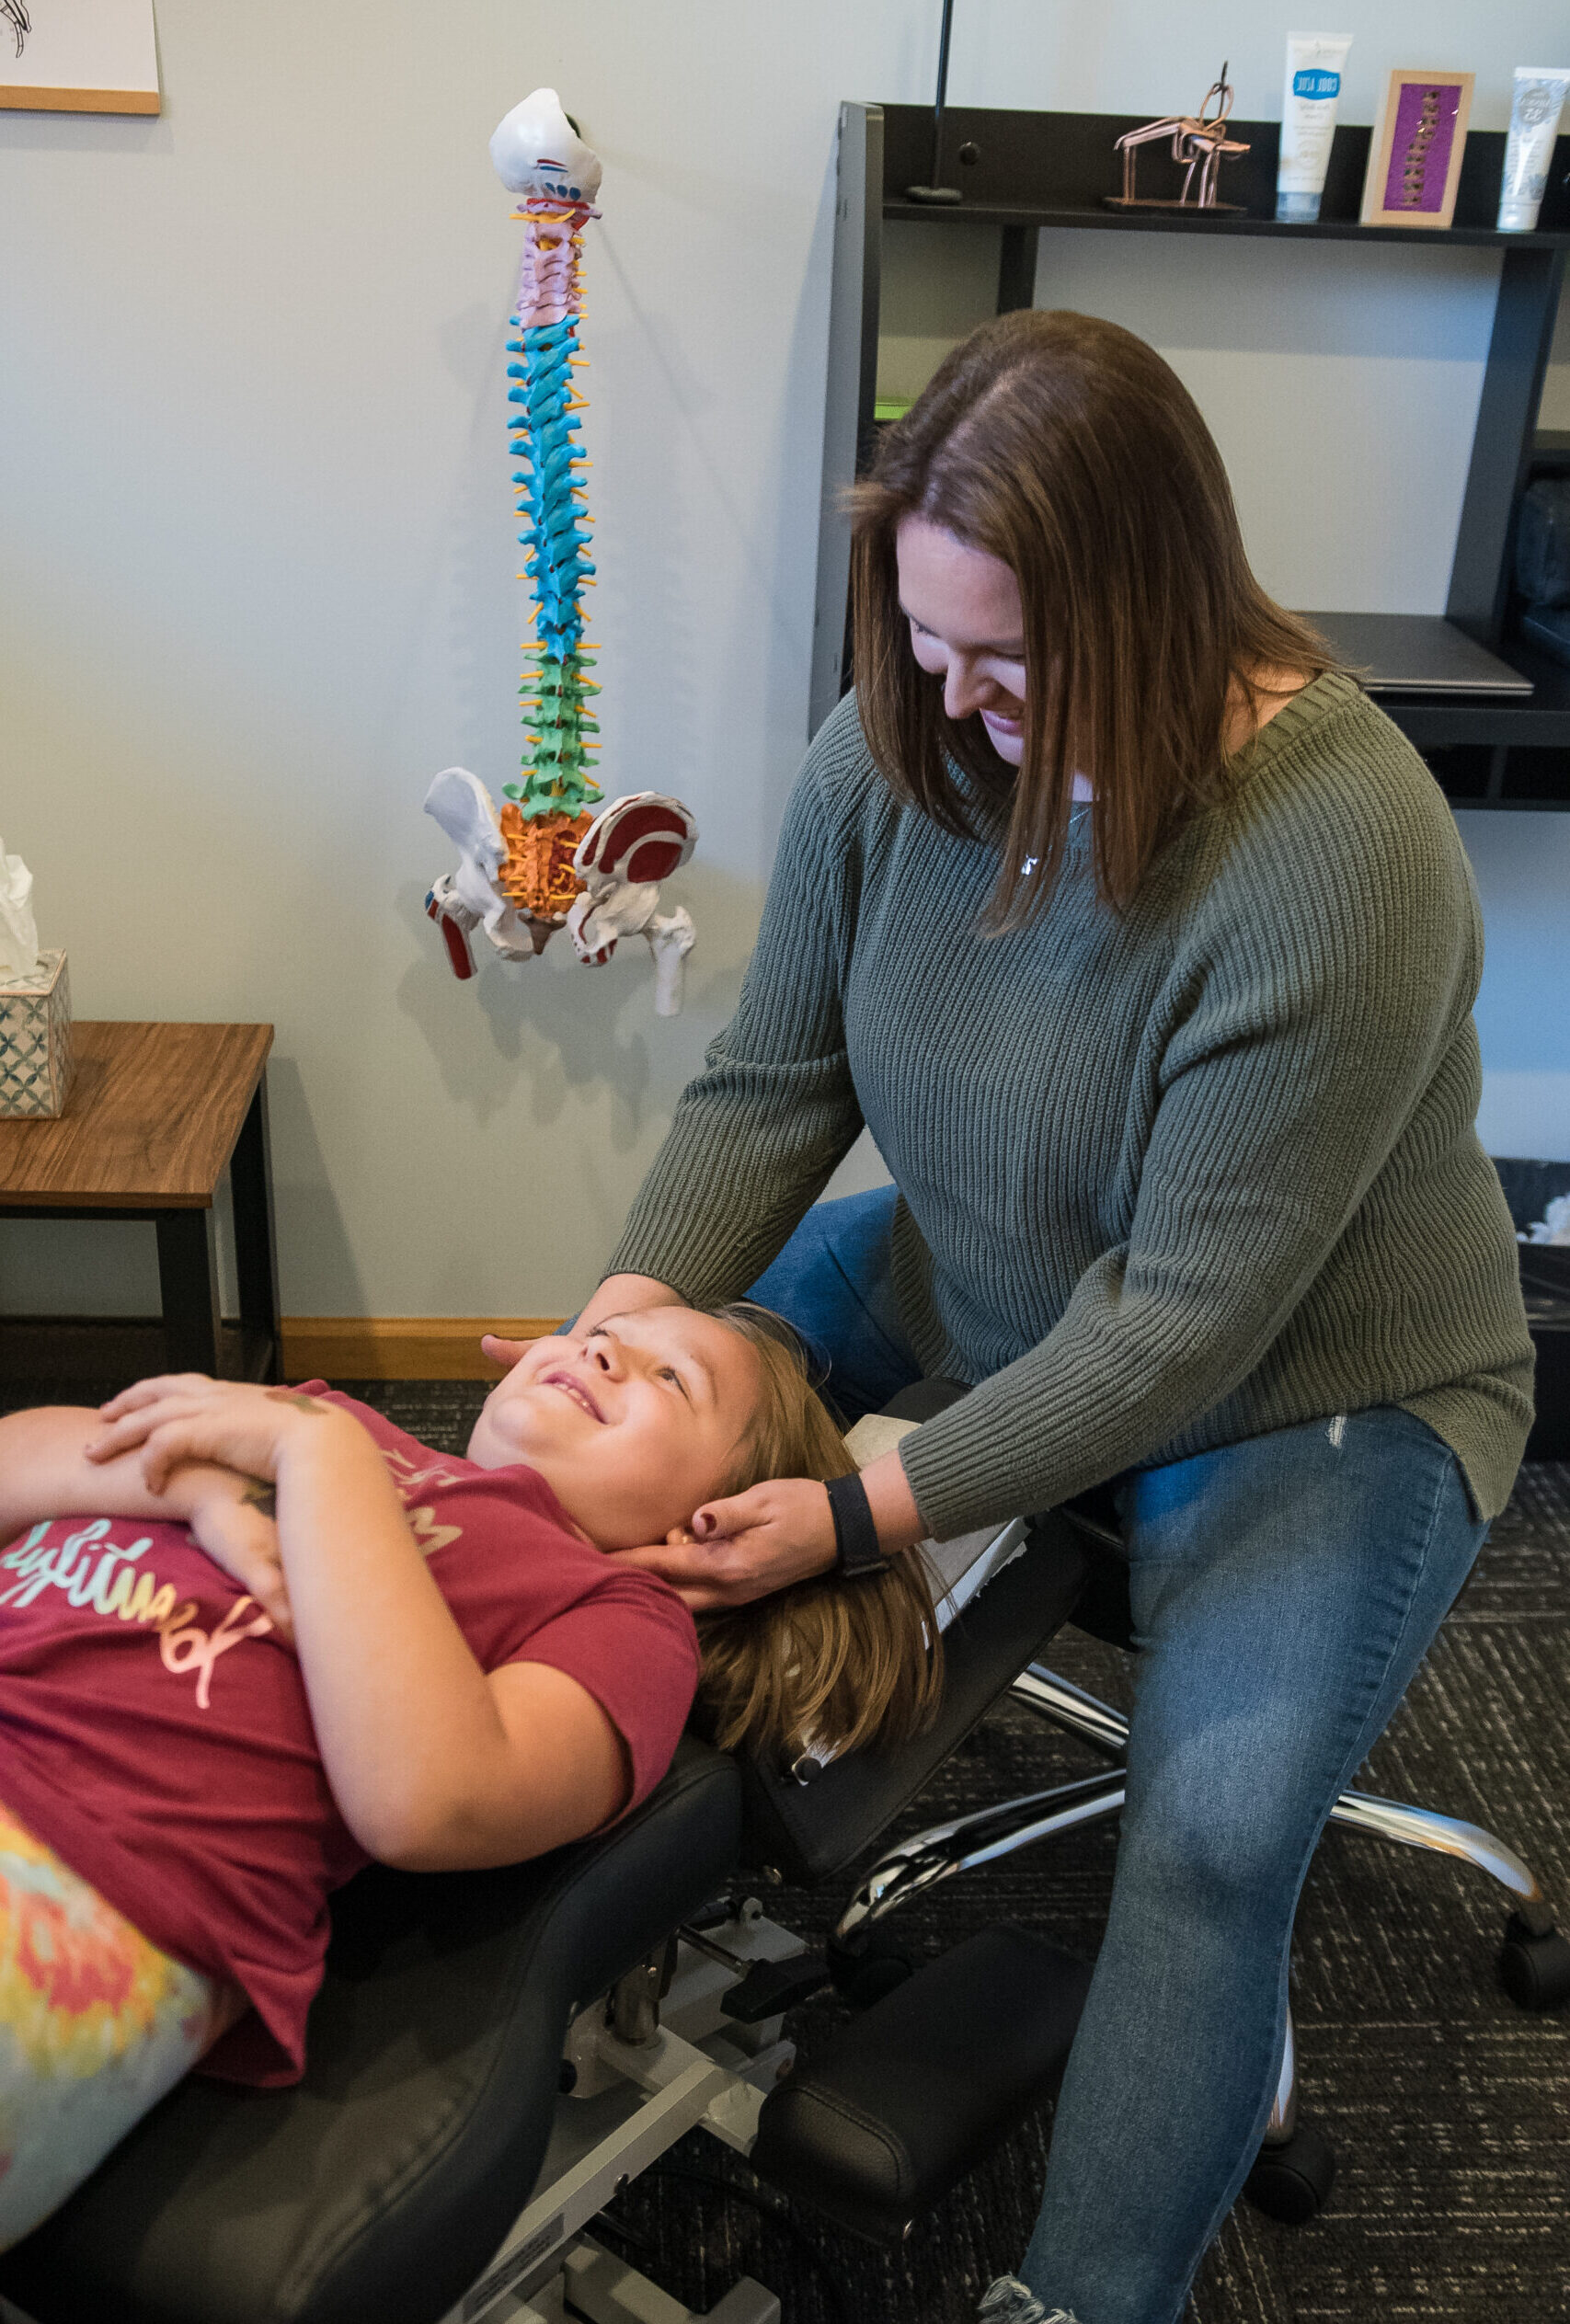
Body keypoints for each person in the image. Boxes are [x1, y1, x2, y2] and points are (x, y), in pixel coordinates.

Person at [521, 312, 1534, 2324]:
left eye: (1009, 662)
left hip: (1310, 1375)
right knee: (600, 1468)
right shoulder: (903, 736)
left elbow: (1174, 1329)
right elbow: (767, 1086)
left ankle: (1076, 2296)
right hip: (983, 1257)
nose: (956, 702)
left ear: (1154, 609)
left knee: (1220, 1835)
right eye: (928, 645)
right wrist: (602, 1335)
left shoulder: (1340, 848)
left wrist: (847, 1519)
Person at [0, 1300, 937, 2250]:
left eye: (670, 1378)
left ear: (717, 1520)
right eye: (599, 1335)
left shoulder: (620, 1618)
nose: (605, 1346)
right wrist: (203, 1490)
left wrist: (317, 1463)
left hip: (94, 1876)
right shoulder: (334, 1416)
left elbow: (425, 1800)